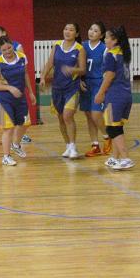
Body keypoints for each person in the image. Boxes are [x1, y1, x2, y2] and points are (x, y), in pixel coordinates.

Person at [41, 23, 86, 159]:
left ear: (76, 34)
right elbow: (50, 63)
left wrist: (73, 70)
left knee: (67, 116)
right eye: (66, 29)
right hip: (57, 88)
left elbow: (83, 69)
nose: (67, 31)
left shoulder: (79, 49)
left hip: (71, 87)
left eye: (71, 30)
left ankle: (73, 146)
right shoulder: (57, 45)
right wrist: (42, 77)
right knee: (61, 119)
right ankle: (67, 146)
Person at [0, 36, 37, 166]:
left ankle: (16, 144)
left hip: (20, 97)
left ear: (13, 45)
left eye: (9, 48)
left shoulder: (22, 57)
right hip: (4, 100)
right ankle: (6, 156)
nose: (7, 51)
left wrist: (31, 92)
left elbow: (25, 74)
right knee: (8, 128)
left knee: (25, 123)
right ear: (0, 51)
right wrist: (9, 88)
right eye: (4, 50)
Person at [95, 26, 134, 170]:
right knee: (117, 127)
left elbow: (109, 76)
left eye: (107, 38)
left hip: (115, 96)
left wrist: (100, 93)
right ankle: (115, 158)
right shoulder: (123, 53)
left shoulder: (111, 55)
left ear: (115, 40)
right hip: (126, 95)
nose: (105, 40)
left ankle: (125, 158)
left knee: (112, 129)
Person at [0, 26, 28, 144]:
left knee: (17, 111)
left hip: (14, 84)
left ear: (4, 33)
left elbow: (21, 67)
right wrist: (0, 81)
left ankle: (19, 135)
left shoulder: (17, 46)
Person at [80, 21, 111, 158]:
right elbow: (79, 66)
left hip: (99, 83)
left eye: (96, 31)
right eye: (91, 29)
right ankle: (95, 145)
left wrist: (104, 89)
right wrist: (79, 80)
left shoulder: (104, 49)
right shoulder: (83, 46)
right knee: (88, 116)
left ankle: (107, 136)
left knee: (96, 114)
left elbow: (109, 70)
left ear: (101, 35)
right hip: (85, 83)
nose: (92, 32)